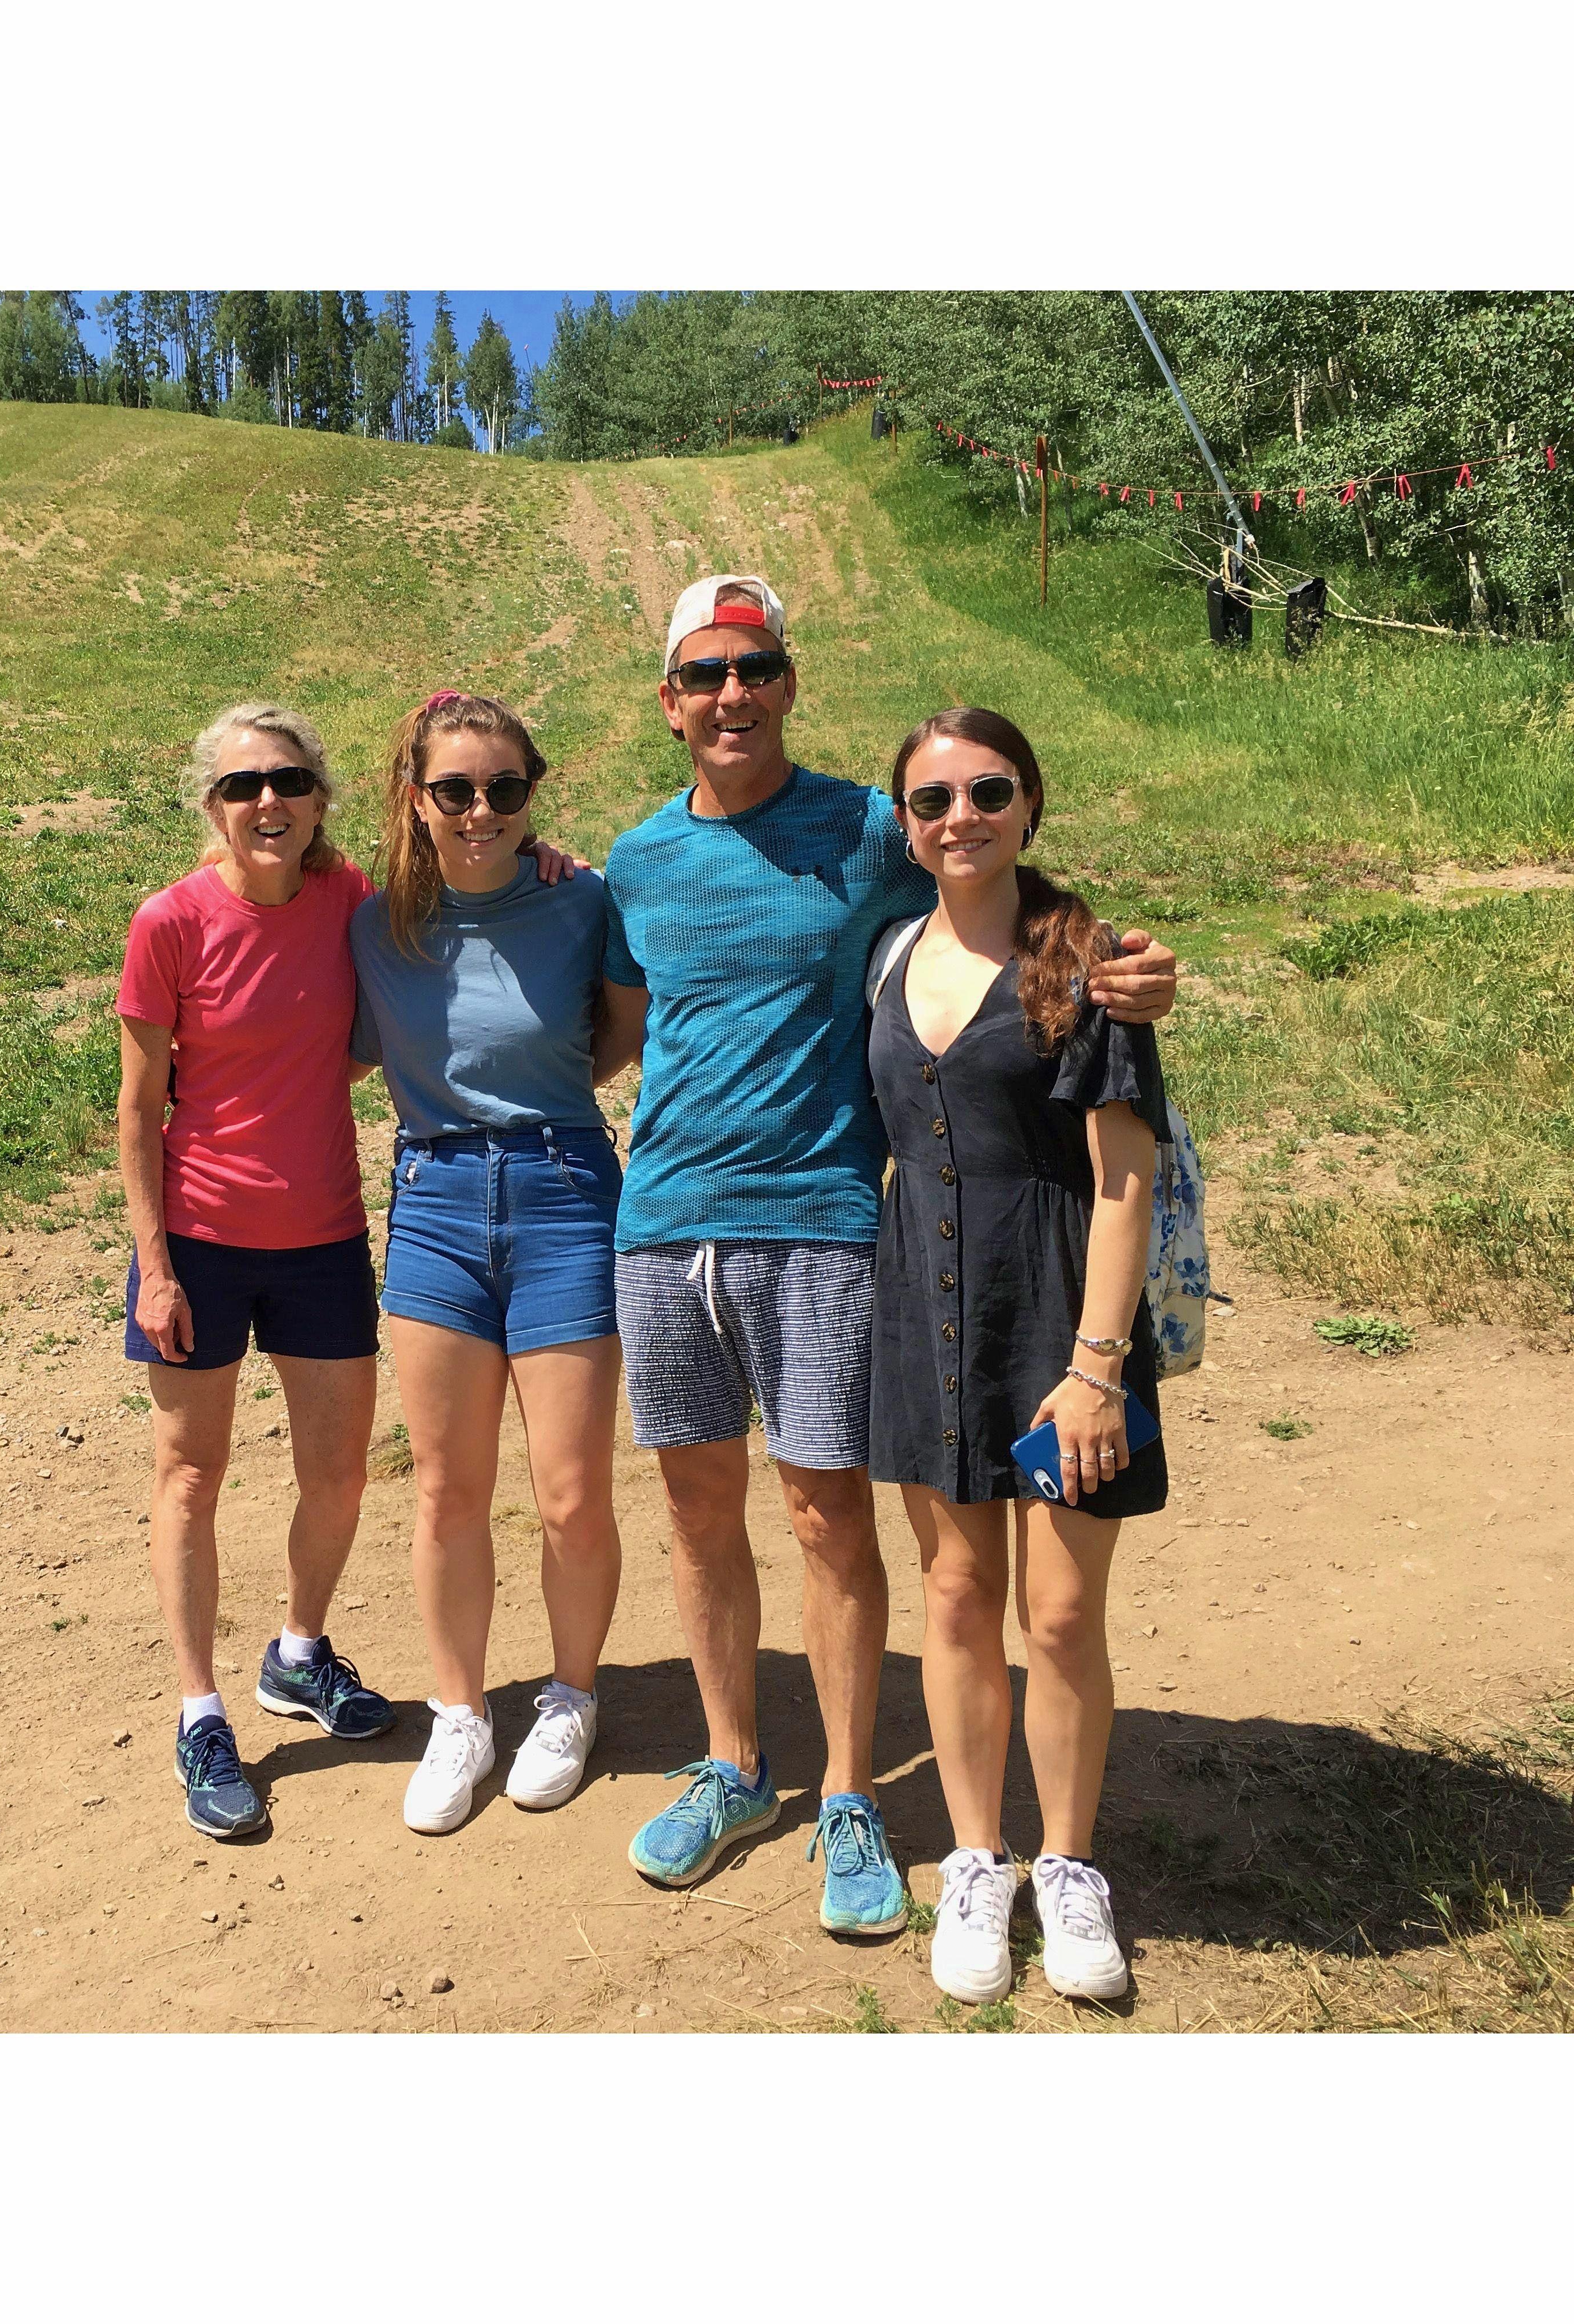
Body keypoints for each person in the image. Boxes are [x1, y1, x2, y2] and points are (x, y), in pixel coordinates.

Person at [594, 575, 1179, 1904]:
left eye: (756, 668)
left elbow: (1003, 886)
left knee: (823, 1513)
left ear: (790, 684)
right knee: (696, 1512)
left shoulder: (874, 827)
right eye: (704, 675)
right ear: (669, 703)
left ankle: (850, 1794)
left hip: (823, 1224)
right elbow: (618, 1023)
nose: (730, 694)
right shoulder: (633, 860)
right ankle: (734, 1762)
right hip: (664, 1219)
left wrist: (1118, 962)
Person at [869, 707, 1165, 2006]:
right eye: (934, 802)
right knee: (951, 1597)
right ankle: (976, 1859)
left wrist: (1097, 1367)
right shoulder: (887, 954)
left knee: (1055, 1613)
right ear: (905, 825)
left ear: (1030, 804)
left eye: (988, 793)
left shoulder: (1085, 961)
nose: (962, 820)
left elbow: (1123, 1181)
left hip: (1058, 1319)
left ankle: (1069, 1862)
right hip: (925, 1309)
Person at [349, 691, 637, 1835]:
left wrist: (552, 1089)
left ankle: (571, 1696)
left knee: (569, 1493)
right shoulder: (374, 927)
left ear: (533, 796)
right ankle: (461, 1715)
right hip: (435, 1203)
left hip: (567, 1191)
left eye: (505, 790)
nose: (481, 810)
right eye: (456, 790)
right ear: (415, 799)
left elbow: (623, 1034)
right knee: (447, 1489)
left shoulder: (584, 902)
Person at [116, 703, 395, 1842]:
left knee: (340, 1475)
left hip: (324, 1232)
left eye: (286, 782)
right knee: (192, 1474)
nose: (266, 803)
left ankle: (299, 1653)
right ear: (211, 808)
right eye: (241, 788)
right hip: (201, 1241)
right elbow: (137, 1111)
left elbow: (387, 1015)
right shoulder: (171, 923)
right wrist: (155, 1269)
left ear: (319, 798)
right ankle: (199, 1711)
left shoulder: (350, 903)